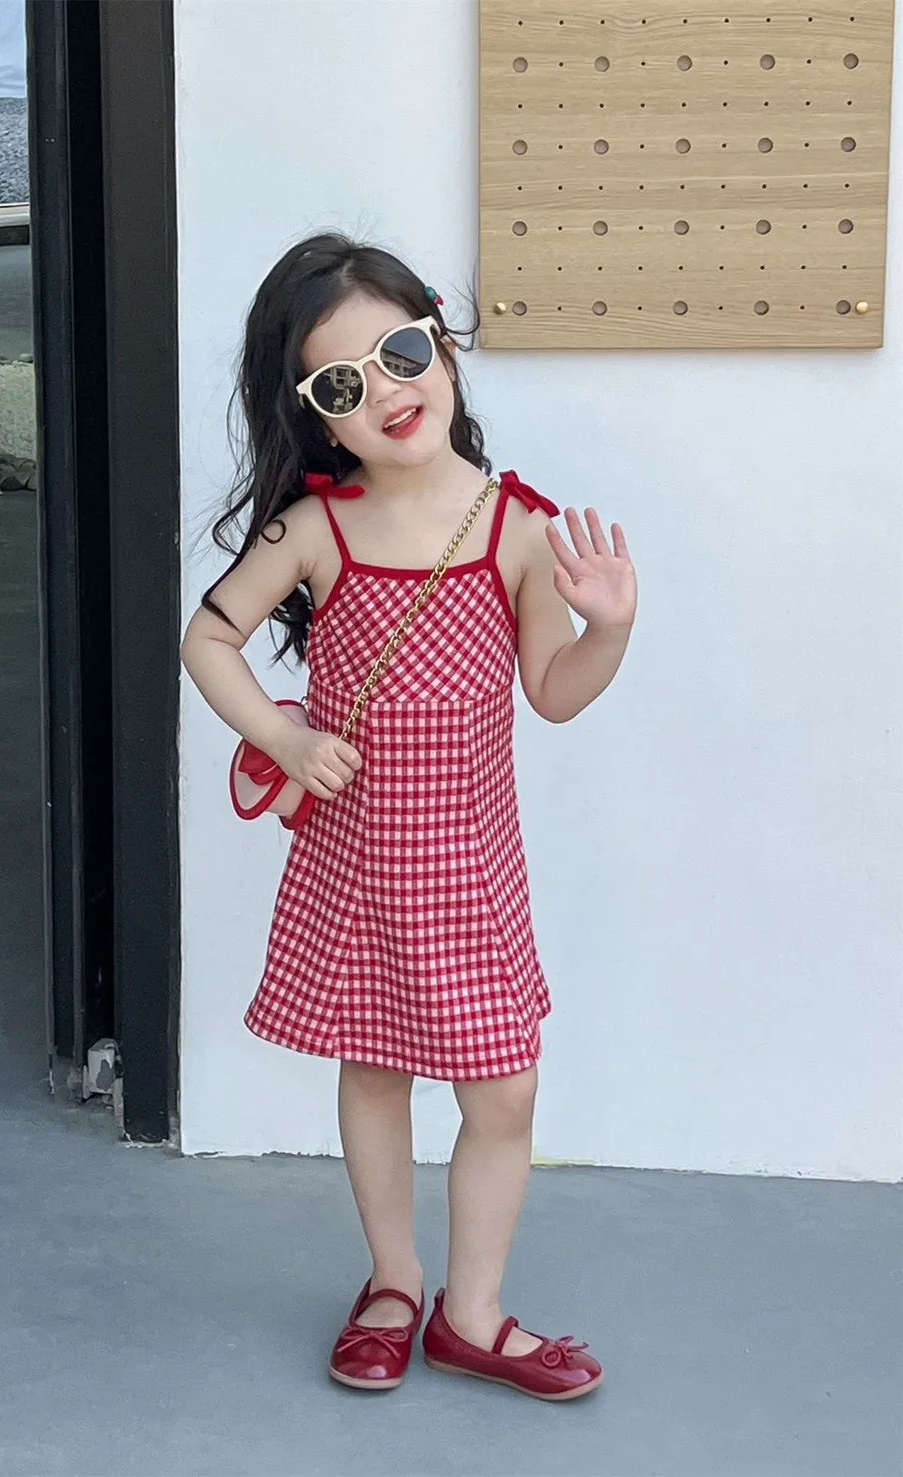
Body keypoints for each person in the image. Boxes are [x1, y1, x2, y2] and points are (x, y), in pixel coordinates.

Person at [181, 233, 637, 1401]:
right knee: (375, 1069)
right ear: (314, 417)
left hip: (472, 876)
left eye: (399, 353)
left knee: (504, 1090)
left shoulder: (514, 528)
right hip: (359, 869)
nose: (385, 391)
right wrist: (281, 737)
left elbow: (552, 694)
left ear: (443, 342)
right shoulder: (315, 530)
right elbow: (210, 636)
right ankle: (392, 1281)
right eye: (341, 383)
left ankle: (470, 1313)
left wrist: (610, 631)